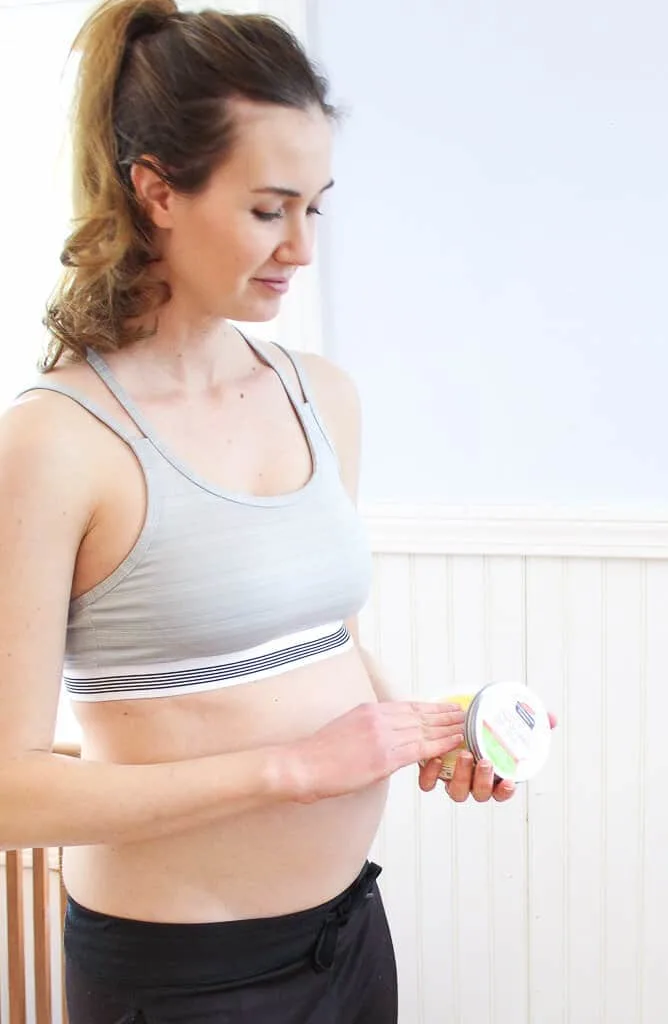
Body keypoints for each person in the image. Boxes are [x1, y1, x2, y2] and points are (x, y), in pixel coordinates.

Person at [0, 2, 544, 1021]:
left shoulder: (321, 394)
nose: (299, 245)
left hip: (345, 933)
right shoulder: (57, 442)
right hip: (185, 978)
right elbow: (8, 790)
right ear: (156, 190)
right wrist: (289, 768)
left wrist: (431, 727)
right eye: (267, 208)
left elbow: (318, 640)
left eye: (315, 207)